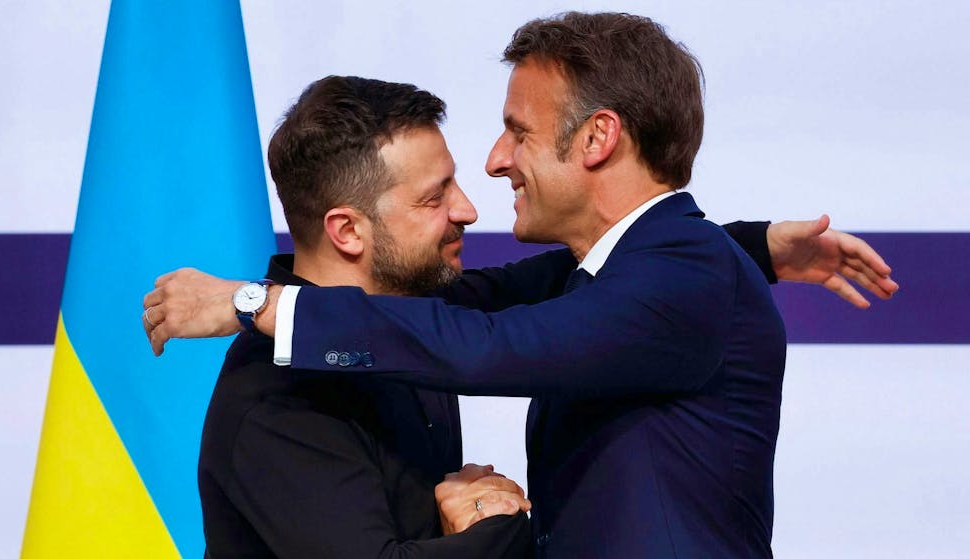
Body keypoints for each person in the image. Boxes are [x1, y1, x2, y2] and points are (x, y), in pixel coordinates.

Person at [144, 13, 899, 558]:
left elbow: (488, 343)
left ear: (598, 138)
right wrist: (756, 245)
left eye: (519, 131)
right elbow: (475, 308)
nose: (496, 162)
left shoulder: (681, 276)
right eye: (436, 194)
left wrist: (253, 303)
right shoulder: (649, 267)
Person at [197, 76, 539, 558]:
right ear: (348, 231)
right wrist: (500, 527)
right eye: (434, 197)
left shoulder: (412, 314)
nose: (468, 210)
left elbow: (542, 283)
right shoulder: (277, 400)